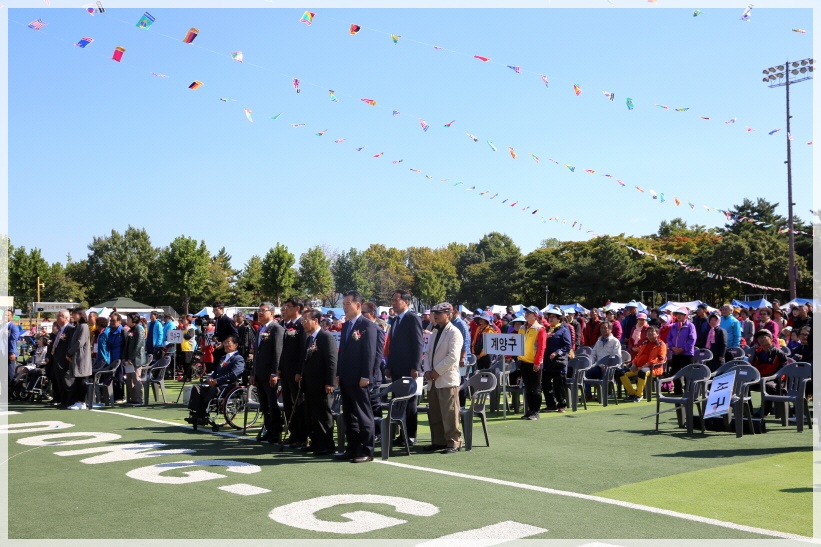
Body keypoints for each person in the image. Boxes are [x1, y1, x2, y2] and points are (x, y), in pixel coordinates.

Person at [335, 290, 378, 463]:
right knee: (349, 414)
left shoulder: (367, 325)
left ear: (358, 305)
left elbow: (370, 354)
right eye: (343, 304)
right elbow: (342, 352)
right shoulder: (346, 326)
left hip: (360, 378)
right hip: (346, 377)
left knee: (363, 414)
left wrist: (366, 376)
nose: (345, 308)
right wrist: (338, 373)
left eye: (348, 304)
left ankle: (367, 450)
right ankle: (352, 448)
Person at [422, 302, 463, 453]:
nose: (436, 315)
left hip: (446, 379)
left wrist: (436, 371)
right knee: (435, 412)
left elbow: (453, 356)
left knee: (450, 413)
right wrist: (427, 370)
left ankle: (454, 442)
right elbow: (427, 353)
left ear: (449, 314)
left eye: (440, 313)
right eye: (435, 313)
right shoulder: (434, 332)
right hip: (433, 379)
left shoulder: (454, 332)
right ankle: (438, 441)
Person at [384, 289, 423, 446]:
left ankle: (410, 435)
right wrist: (389, 365)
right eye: (392, 300)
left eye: (396, 300)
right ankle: (401, 434)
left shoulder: (412, 318)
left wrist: (415, 367)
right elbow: (392, 346)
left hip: (408, 369)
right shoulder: (394, 320)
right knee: (398, 401)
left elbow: (418, 344)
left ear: (406, 302)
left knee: (410, 402)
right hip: (396, 368)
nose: (393, 302)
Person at [298, 308, 338, 455]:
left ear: (315, 321)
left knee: (323, 414)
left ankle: (327, 445)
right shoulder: (310, 338)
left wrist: (330, 382)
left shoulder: (326, 337)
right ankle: (315, 442)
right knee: (311, 414)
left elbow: (332, 361)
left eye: (305, 320)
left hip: (322, 384)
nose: (303, 324)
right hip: (310, 383)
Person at [186, 335, 245, 425]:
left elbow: (234, 374)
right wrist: (210, 377)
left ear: (235, 345)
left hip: (227, 385)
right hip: (216, 384)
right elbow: (216, 371)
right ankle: (196, 414)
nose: (225, 344)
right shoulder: (223, 357)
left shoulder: (238, 358)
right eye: (224, 342)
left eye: (228, 342)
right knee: (196, 388)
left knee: (213, 390)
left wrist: (218, 381)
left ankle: (202, 415)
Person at [251, 302, 284, 443]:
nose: (260, 313)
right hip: (260, 373)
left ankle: (275, 432)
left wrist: (274, 373)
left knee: (272, 403)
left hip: (270, 374)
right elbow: (256, 354)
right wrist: (253, 373)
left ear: (271, 313)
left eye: (263, 311)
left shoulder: (276, 329)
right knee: (264, 404)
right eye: (259, 310)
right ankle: (268, 429)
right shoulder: (260, 329)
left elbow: (278, 353)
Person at [278, 297, 308, 447]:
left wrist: (300, 371)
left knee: (298, 404)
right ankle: (293, 433)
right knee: (288, 404)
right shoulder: (286, 325)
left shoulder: (301, 325)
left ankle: (302, 436)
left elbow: (303, 350)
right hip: (286, 371)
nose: (286, 309)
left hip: (296, 372)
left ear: (297, 308)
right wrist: (280, 368)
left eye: (289, 306)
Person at [618, 325, 667, 402]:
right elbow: (638, 356)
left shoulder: (661, 344)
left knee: (642, 372)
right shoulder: (644, 343)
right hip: (638, 367)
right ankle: (632, 393)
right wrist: (634, 364)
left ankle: (639, 395)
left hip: (654, 368)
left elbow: (661, 359)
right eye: (648, 332)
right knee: (621, 372)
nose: (650, 333)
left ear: (657, 334)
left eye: (652, 331)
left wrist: (647, 364)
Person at [749, 329, 789, 416]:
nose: (761, 340)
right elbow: (753, 368)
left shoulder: (779, 353)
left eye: (763, 337)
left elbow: (784, 369)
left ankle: (764, 412)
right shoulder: (757, 353)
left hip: (774, 380)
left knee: (768, 387)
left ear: (771, 338)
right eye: (759, 338)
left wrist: (775, 378)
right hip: (760, 378)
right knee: (745, 386)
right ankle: (748, 411)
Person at [517, 306, 546, 420]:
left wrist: (537, 362)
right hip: (524, 361)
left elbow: (541, 348)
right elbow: (518, 343)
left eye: (529, 312)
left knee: (536, 388)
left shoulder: (540, 329)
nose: (526, 314)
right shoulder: (522, 328)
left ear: (535, 315)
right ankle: (530, 410)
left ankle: (536, 411)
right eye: (526, 312)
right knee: (528, 388)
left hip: (534, 362)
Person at [541, 306, 572, 412]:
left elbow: (567, 346)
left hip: (558, 363)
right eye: (550, 316)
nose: (551, 318)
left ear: (559, 318)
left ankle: (561, 404)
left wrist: (557, 352)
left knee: (559, 385)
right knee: (545, 384)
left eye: (553, 316)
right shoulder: (545, 330)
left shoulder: (564, 330)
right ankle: (551, 404)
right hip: (547, 362)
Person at [361, 301, 386, 428]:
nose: (361, 315)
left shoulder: (378, 329)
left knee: (374, 403)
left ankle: (378, 432)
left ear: (372, 314)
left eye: (364, 312)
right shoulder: (361, 328)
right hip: (362, 374)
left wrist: (372, 374)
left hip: (373, 375)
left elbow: (378, 355)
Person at [585, 321, 622, 399]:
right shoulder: (598, 341)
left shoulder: (615, 341)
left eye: (605, 328)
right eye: (601, 328)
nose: (603, 330)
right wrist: (590, 365)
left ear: (610, 329)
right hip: (598, 366)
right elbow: (593, 355)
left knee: (605, 372)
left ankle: (603, 395)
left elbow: (617, 356)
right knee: (587, 373)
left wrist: (607, 365)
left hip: (610, 368)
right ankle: (588, 396)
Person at [65, 308, 93, 410]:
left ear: (80, 315)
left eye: (75, 314)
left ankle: (82, 402)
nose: (72, 316)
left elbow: (80, 342)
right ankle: (78, 401)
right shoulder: (78, 326)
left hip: (81, 357)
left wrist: (69, 352)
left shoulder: (84, 326)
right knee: (78, 380)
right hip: (76, 357)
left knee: (81, 380)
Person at [49, 309, 76, 407]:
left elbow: (70, 344)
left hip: (64, 360)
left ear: (65, 318)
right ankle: (63, 401)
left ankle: (69, 401)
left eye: (59, 315)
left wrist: (69, 355)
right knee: (60, 382)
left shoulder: (70, 329)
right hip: (57, 359)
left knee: (67, 381)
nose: (57, 317)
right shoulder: (61, 329)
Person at [666, 307, 696, 395]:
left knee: (688, 373)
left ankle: (689, 391)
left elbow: (692, 339)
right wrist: (672, 348)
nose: (678, 316)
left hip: (687, 354)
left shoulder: (690, 326)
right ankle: (678, 390)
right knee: (676, 372)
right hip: (676, 353)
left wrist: (683, 349)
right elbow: (669, 338)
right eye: (677, 314)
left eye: (681, 314)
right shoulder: (674, 326)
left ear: (685, 315)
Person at [122, 312, 146, 405]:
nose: (127, 321)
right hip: (129, 359)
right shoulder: (130, 329)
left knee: (136, 378)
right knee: (129, 379)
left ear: (134, 320)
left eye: (128, 319)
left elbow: (138, 345)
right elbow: (126, 345)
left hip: (136, 359)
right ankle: (132, 398)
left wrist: (131, 358)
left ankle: (139, 399)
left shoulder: (139, 329)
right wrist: (124, 357)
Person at [177, 316, 197, 381]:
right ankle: (185, 376)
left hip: (188, 348)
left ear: (188, 321)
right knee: (184, 364)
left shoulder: (191, 328)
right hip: (183, 348)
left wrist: (182, 332)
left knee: (188, 363)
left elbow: (188, 337)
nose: (183, 321)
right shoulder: (183, 328)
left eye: (184, 320)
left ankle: (189, 377)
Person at [6, 309, 21, 386]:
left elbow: (12, 340)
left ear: (11, 317)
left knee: (10, 373)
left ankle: (13, 390)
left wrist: (12, 352)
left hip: (9, 353)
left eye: (7, 315)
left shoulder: (13, 327)